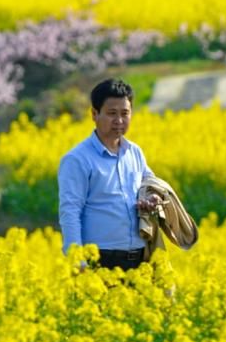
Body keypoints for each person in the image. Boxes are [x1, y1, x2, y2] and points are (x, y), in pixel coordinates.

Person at [58, 78, 161, 270]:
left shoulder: (135, 152)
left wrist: (152, 197)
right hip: (100, 260)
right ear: (94, 114)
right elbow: (70, 211)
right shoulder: (77, 159)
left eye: (125, 113)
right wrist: (76, 260)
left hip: (139, 259)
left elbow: (150, 185)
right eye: (112, 113)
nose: (119, 121)